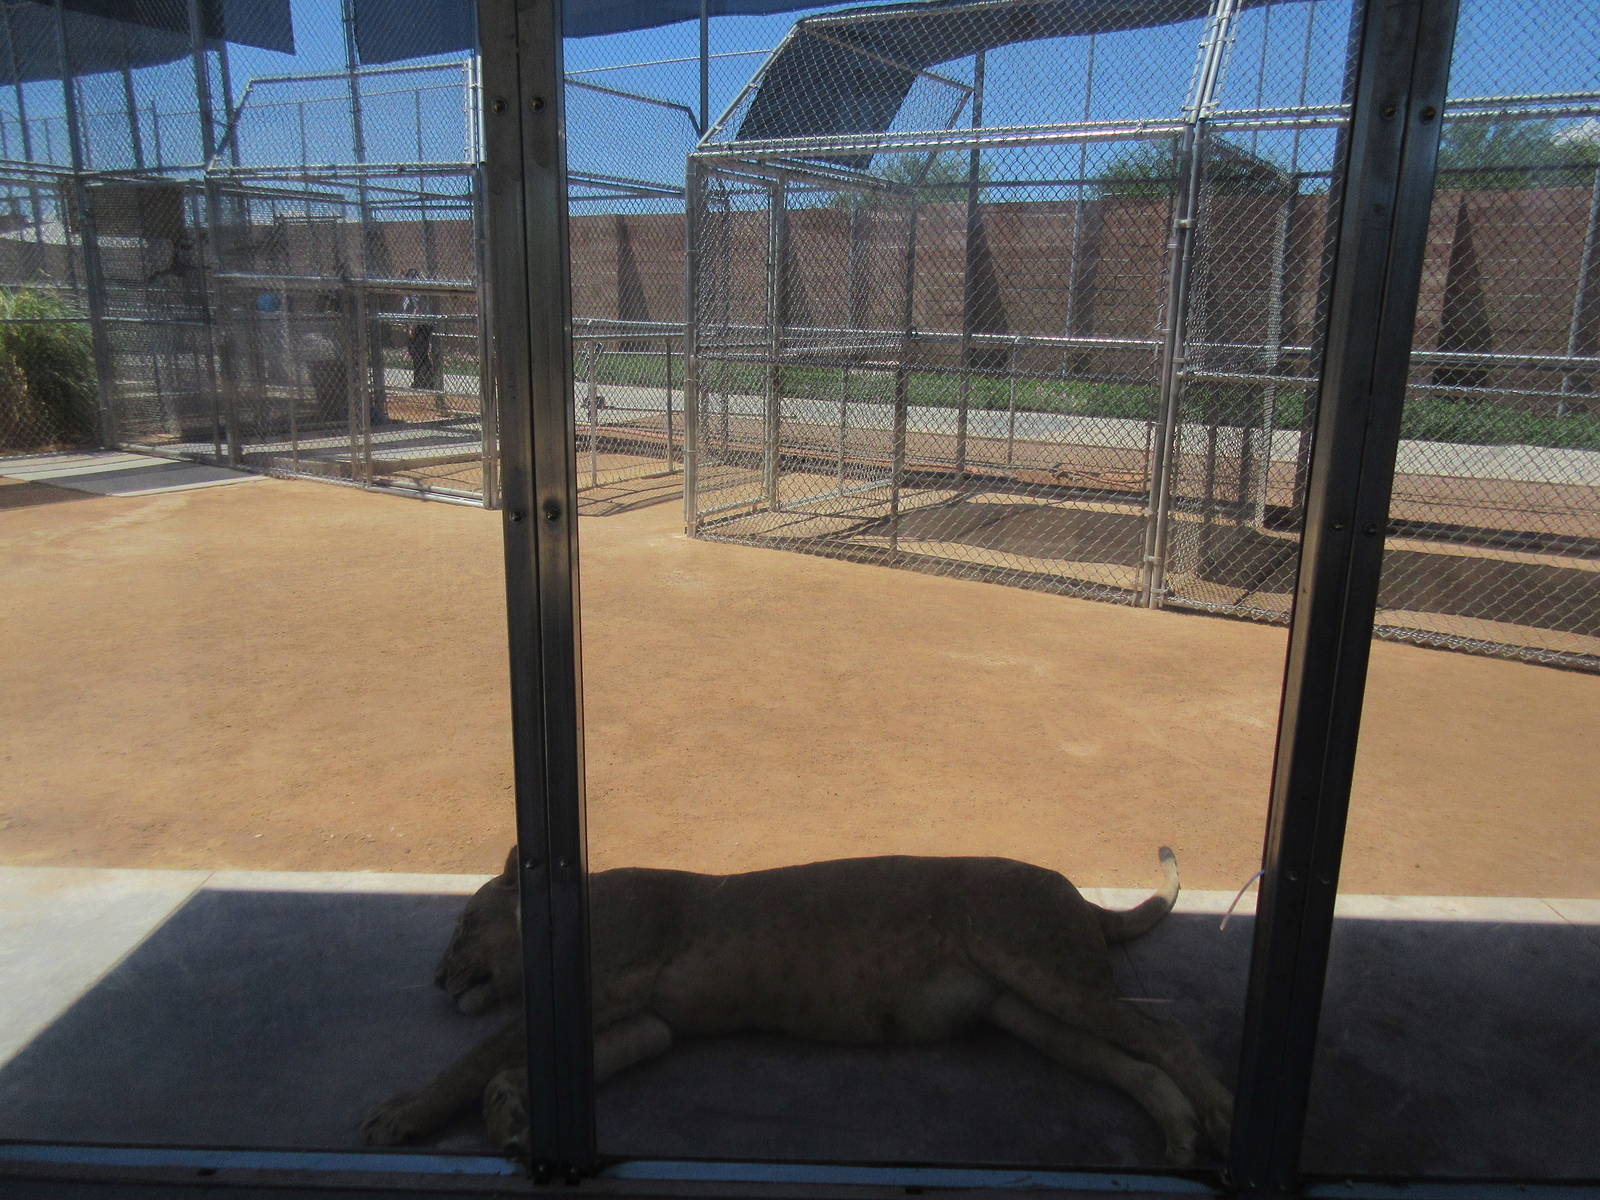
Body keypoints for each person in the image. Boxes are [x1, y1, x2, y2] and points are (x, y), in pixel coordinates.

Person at [401, 269, 439, 393]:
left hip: (421, 325)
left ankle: (427, 381)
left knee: (420, 353)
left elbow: (418, 309)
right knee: (415, 353)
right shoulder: (408, 289)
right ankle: (420, 381)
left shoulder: (415, 288)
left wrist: (412, 326)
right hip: (415, 324)